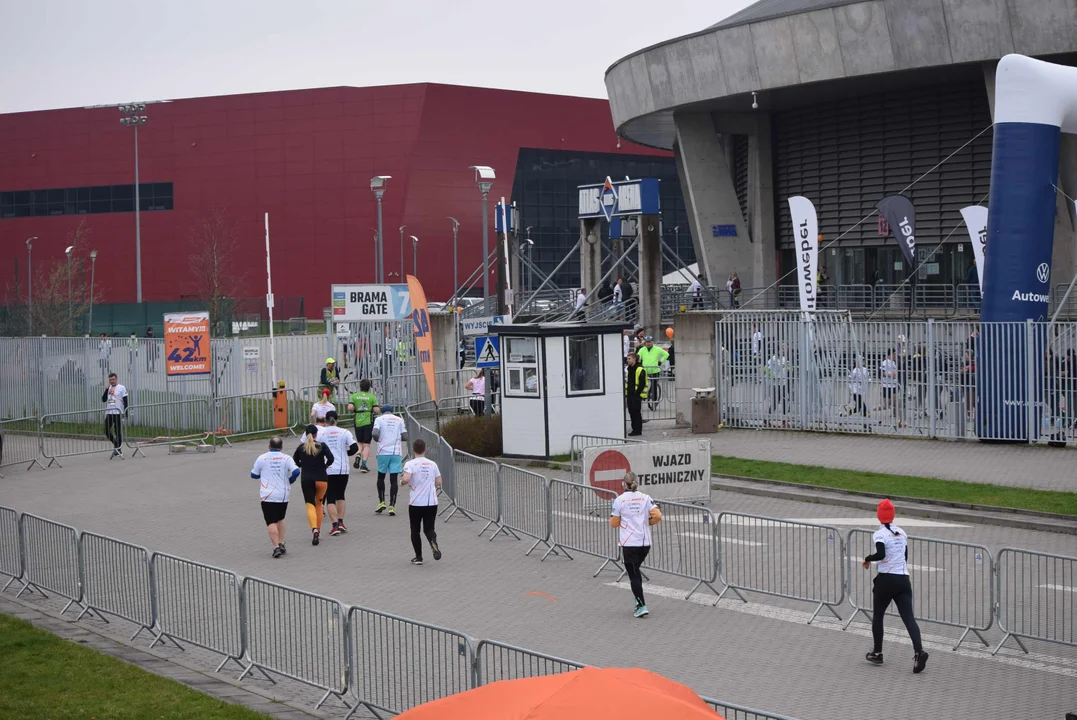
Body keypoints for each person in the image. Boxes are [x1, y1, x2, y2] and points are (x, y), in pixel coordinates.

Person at [863, 499, 929, 674]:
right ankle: (919, 651)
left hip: (886, 579)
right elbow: (905, 556)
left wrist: (868, 559)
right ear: (893, 515)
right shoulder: (902, 532)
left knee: (878, 615)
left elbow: (881, 554)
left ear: (879, 516)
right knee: (909, 618)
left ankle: (877, 652)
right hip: (903, 579)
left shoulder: (880, 534)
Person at [610, 471, 662, 618]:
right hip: (645, 543)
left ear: (622, 484)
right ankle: (638, 601)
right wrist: (648, 523)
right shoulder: (645, 498)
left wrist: (621, 521)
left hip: (629, 543)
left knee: (633, 575)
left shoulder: (620, 500)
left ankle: (641, 604)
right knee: (636, 571)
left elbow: (613, 523)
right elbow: (658, 515)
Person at [250, 436, 300, 558]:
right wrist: (290, 481)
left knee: (271, 521)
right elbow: (297, 471)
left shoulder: (262, 458)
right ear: (281, 447)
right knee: (281, 518)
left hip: (268, 495)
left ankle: (275, 547)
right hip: (283, 494)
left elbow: (253, 475)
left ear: (269, 446)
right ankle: (281, 542)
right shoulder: (286, 458)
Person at [401, 438, 443, 565]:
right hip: (431, 502)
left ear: (414, 450)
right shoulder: (432, 464)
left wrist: (402, 482)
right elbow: (439, 482)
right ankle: (433, 541)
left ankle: (418, 557)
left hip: (416, 502)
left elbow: (407, 479)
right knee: (429, 528)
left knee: (415, 529)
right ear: (425, 449)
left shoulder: (410, 464)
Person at [293, 424, 335, 546]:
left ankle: (314, 529)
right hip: (322, 478)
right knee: (319, 504)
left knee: (310, 505)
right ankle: (319, 530)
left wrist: (303, 466)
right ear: (317, 434)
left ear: (306, 435)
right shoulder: (322, 446)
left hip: (307, 479)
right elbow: (331, 459)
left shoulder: (301, 447)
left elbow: (295, 461)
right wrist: (325, 466)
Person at [319, 411, 359, 536]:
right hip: (343, 468)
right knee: (341, 495)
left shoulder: (321, 433)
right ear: (337, 419)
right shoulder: (345, 432)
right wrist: (344, 454)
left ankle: (334, 525)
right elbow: (354, 448)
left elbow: (316, 448)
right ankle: (341, 522)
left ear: (325, 420)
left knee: (330, 497)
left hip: (328, 468)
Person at [372, 404, 407, 515]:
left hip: (383, 451)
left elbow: (375, 433)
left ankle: (382, 501)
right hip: (396, 452)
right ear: (392, 411)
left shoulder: (379, 419)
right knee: (393, 479)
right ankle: (392, 505)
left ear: (382, 411)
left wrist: (378, 440)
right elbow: (405, 436)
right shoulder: (399, 419)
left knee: (381, 477)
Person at [347, 379, 379, 473]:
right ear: (369, 387)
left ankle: (358, 455)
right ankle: (364, 465)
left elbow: (350, 407)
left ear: (360, 387)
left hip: (358, 421)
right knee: (367, 444)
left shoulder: (354, 396)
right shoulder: (372, 397)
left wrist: (354, 410)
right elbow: (376, 410)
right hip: (368, 421)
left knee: (359, 442)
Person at [101, 372, 128, 457]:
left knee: (117, 431)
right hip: (109, 412)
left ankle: (118, 449)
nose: (112, 381)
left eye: (113, 379)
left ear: (116, 379)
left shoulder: (121, 388)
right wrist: (106, 389)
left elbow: (125, 400)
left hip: (118, 412)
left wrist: (125, 412)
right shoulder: (109, 388)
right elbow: (103, 399)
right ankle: (116, 445)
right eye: (110, 380)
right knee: (106, 430)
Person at [625, 351, 647, 436]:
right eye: (627, 359)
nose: (628, 360)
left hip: (637, 395)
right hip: (630, 394)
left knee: (636, 412)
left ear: (634, 359)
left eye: (629, 359)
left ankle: (638, 430)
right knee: (631, 412)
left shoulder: (640, 369)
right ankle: (634, 429)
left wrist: (637, 394)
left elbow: (642, 384)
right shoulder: (629, 369)